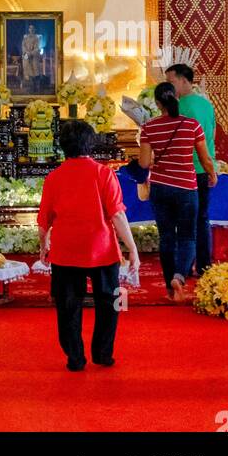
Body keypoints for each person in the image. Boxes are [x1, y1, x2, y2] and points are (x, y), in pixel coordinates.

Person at [38, 119, 139, 371]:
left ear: (62, 146)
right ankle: (103, 353)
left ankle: (75, 357)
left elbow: (44, 221)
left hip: (65, 251)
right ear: (91, 144)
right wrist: (132, 248)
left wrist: (43, 246)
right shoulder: (104, 173)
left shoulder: (54, 177)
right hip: (102, 249)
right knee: (111, 303)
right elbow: (117, 214)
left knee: (67, 306)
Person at [139, 81, 217, 302]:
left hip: (161, 188)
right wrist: (212, 174)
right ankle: (180, 276)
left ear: (156, 103)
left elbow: (144, 163)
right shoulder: (192, 125)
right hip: (186, 188)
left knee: (166, 238)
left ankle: (169, 289)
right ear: (176, 98)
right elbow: (204, 158)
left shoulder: (149, 128)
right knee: (187, 236)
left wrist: (156, 160)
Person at [165, 62, 216, 275]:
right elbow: (211, 136)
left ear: (185, 80)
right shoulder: (206, 105)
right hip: (204, 168)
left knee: (183, 222)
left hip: (184, 170)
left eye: (171, 82)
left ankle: (183, 268)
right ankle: (204, 265)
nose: (169, 87)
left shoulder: (181, 106)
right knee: (202, 219)